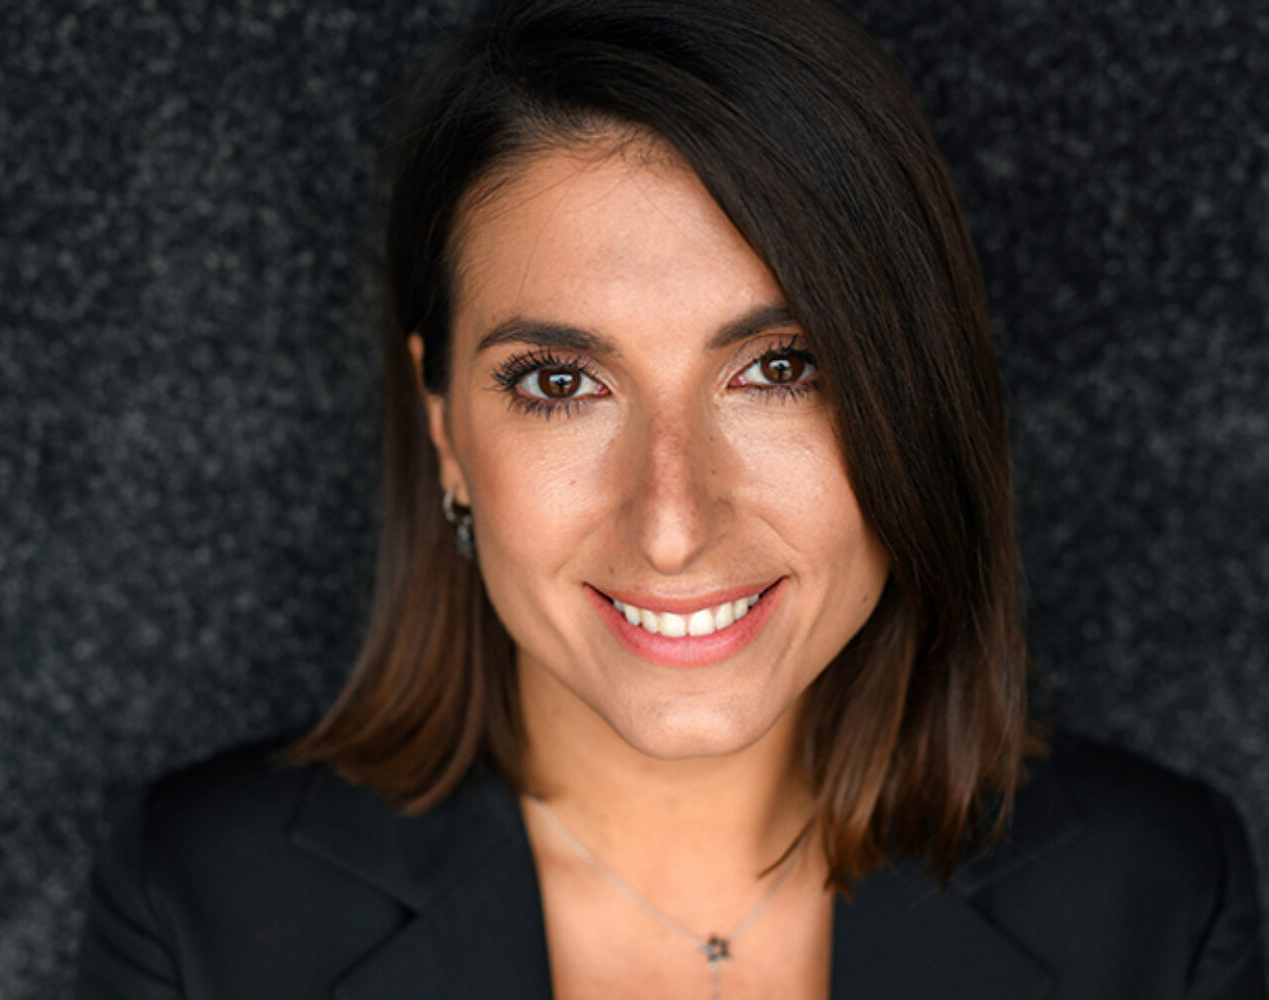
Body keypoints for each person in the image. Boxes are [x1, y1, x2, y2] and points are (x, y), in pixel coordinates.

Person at [75, 0, 1266, 996]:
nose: (672, 523)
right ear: (443, 431)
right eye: (559, 383)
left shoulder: (1158, 901)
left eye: (780, 368)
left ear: (915, 395)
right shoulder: (202, 907)